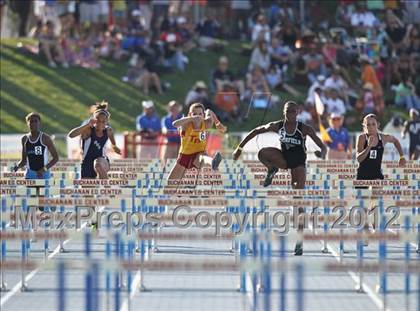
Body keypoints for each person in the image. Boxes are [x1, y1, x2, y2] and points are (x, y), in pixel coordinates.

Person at [232, 101, 327, 255]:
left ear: (298, 112)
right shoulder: (278, 126)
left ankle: (299, 240)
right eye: (288, 111)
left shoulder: (305, 128)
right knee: (263, 153)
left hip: (299, 165)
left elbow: (323, 147)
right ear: (284, 112)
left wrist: (321, 154)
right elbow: (256, 131)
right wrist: (239, 148)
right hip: (284, 159)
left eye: (293, 111)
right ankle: (272, 169)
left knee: (298, 202)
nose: (290, 114)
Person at [167, 103, 226, 181]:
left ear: (203, 115)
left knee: (203, 158)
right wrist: (191, 118)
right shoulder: (186, 124)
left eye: (200, 114)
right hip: (184, 156)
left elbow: (209, 111)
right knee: (170, 182)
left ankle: (213, 162)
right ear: (190, 114)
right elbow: (174, 124)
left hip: (199, 152)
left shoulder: (207, 123)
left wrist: (218, 123)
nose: (197, 116)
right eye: (194, 114)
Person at [68, 102, 121, 179]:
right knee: (89, 190)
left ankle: (107, 188)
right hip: (87, 162)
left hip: (102, 160)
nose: (101, 124)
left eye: (104, 122)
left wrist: (114, 146)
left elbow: (113, 141)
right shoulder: (89, 130)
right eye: (99, 121)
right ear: (95, 121)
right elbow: (71, 135)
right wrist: (86, 125)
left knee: (98, 165)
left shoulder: (108, 130)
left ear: (107, 122)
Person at [356, 114, 406, 181]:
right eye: (368, 125)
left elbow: (395, 141)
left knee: (377, 187)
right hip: (363, 175)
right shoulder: (362, 138)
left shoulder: (383, 138)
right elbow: (359, 159)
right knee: (362, 191)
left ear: (378, 125)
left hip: (376, 174)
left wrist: (402, 156)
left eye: (373, 124)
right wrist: (368, 147)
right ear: (364, 126)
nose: (371, 127)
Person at [13, 112, 59, 179]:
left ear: (39, 123)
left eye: (35, 121)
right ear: (27, 124)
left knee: (43, 190)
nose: (33, 123)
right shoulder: (24, 139)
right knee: (28, 189)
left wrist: (43, 169)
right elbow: (24, 160)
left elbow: (56, 158)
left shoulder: (45, 138)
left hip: (44, 173)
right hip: (30, 173)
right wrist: (16, 167)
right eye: (31, 121)